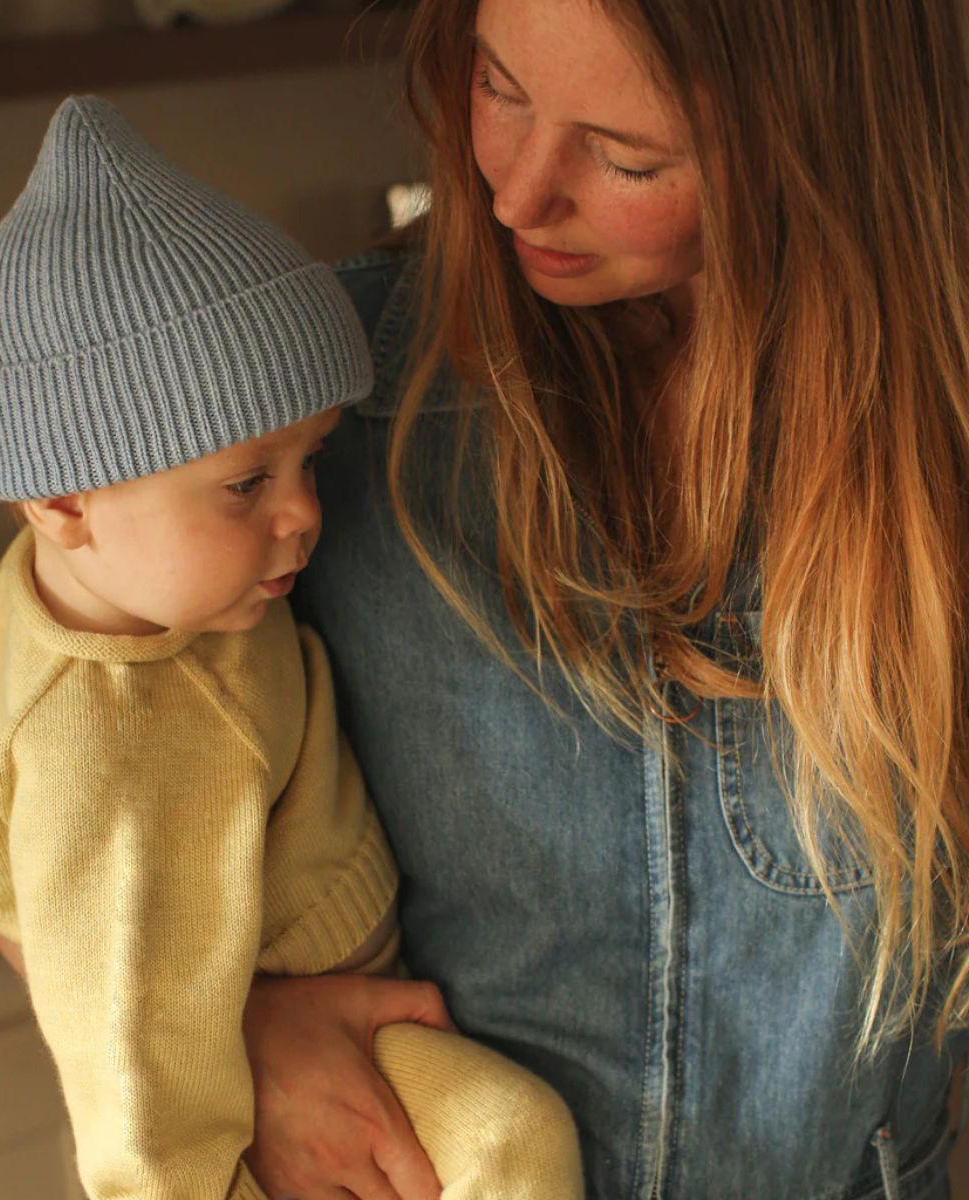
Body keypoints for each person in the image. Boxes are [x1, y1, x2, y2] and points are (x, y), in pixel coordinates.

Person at [236, 0, 969, 1197]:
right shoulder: (315, 393)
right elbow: (60, 778)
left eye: (628, 158)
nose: (515, 195)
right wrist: (239, 1038)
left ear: (830, 151)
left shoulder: (941, 437)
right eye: (497, 86)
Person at [0, 95, 583, 1199]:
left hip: (314, 1003)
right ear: (62, 501)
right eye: (248, 482)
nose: (302, 514)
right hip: (278, 1076)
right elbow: (135, 1089)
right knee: (510, 1142)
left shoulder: (125, 590)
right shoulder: (101, 754)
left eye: (313, 460)